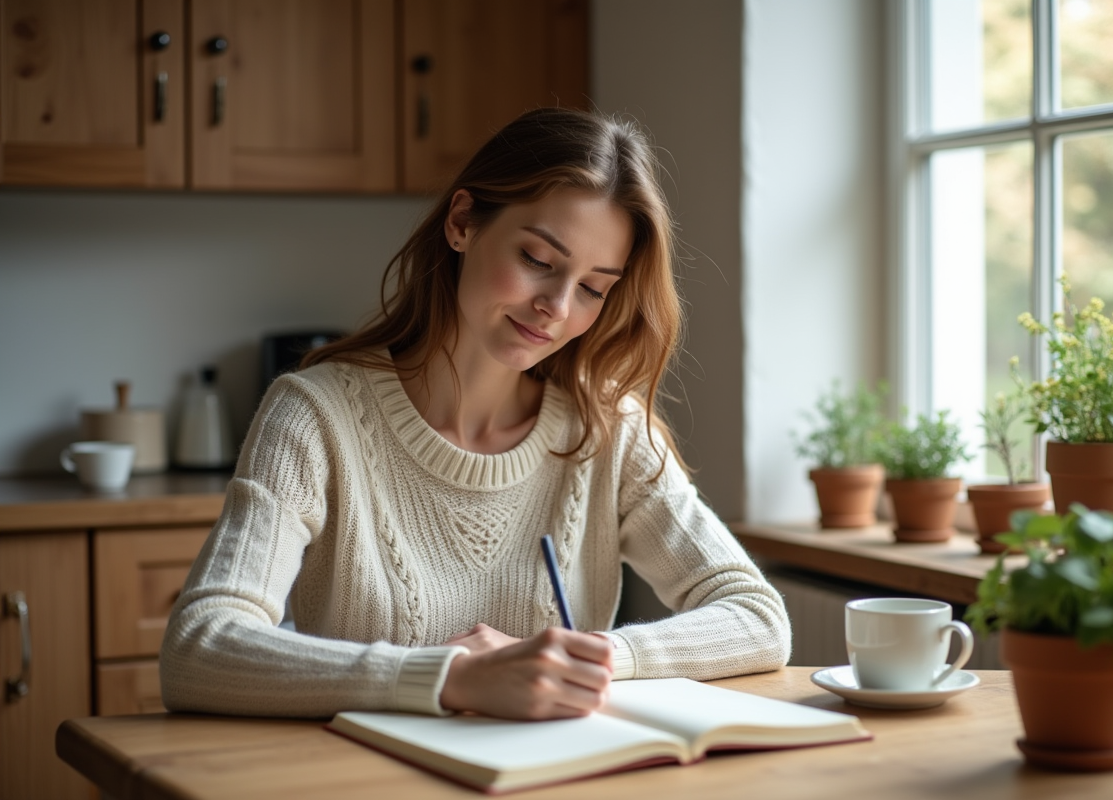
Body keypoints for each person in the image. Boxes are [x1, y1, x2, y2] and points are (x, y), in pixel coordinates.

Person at [160, 107, 790, 722]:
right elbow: (198, 647)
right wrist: (452, 679)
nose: (557, 306)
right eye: (539, 261)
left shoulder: (610, 430)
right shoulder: (314, 416)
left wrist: (589, 659)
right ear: (463, 222)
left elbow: (757, 617)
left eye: (594, 287)